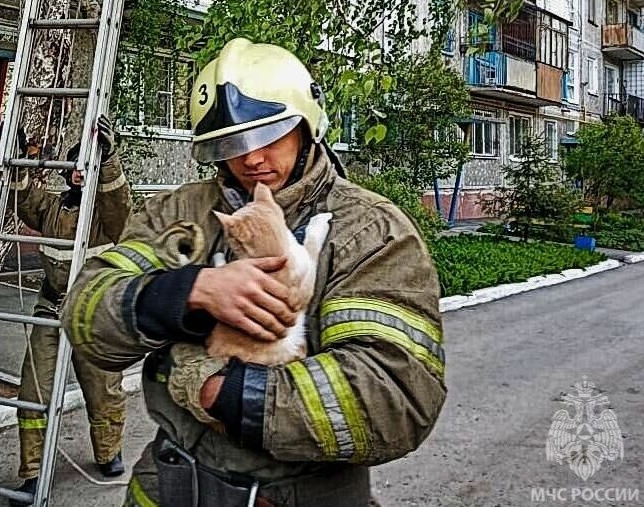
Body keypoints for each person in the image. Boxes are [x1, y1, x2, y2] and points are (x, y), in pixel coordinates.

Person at [62, 39, 447, 506]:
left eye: (269, 135)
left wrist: (217, 392)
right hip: (169, 488)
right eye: (231, 144)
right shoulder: (181, 212)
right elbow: (85, 313)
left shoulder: (370, 232)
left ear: (307, 127)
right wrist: (190, 294)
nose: (251, 159)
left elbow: (397, 398)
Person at [9, 115, 133, 506]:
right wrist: (20, 159)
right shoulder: (53, 208)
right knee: (34, 390)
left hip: (93, 313)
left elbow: (121, 207)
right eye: (75, 166)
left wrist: (109, 157)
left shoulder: (104, 215)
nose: (80, 173)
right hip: (51, 306)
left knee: (103, 389)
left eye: (88, 166)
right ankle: (31, 472)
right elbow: (26, 200)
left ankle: (108, 452)